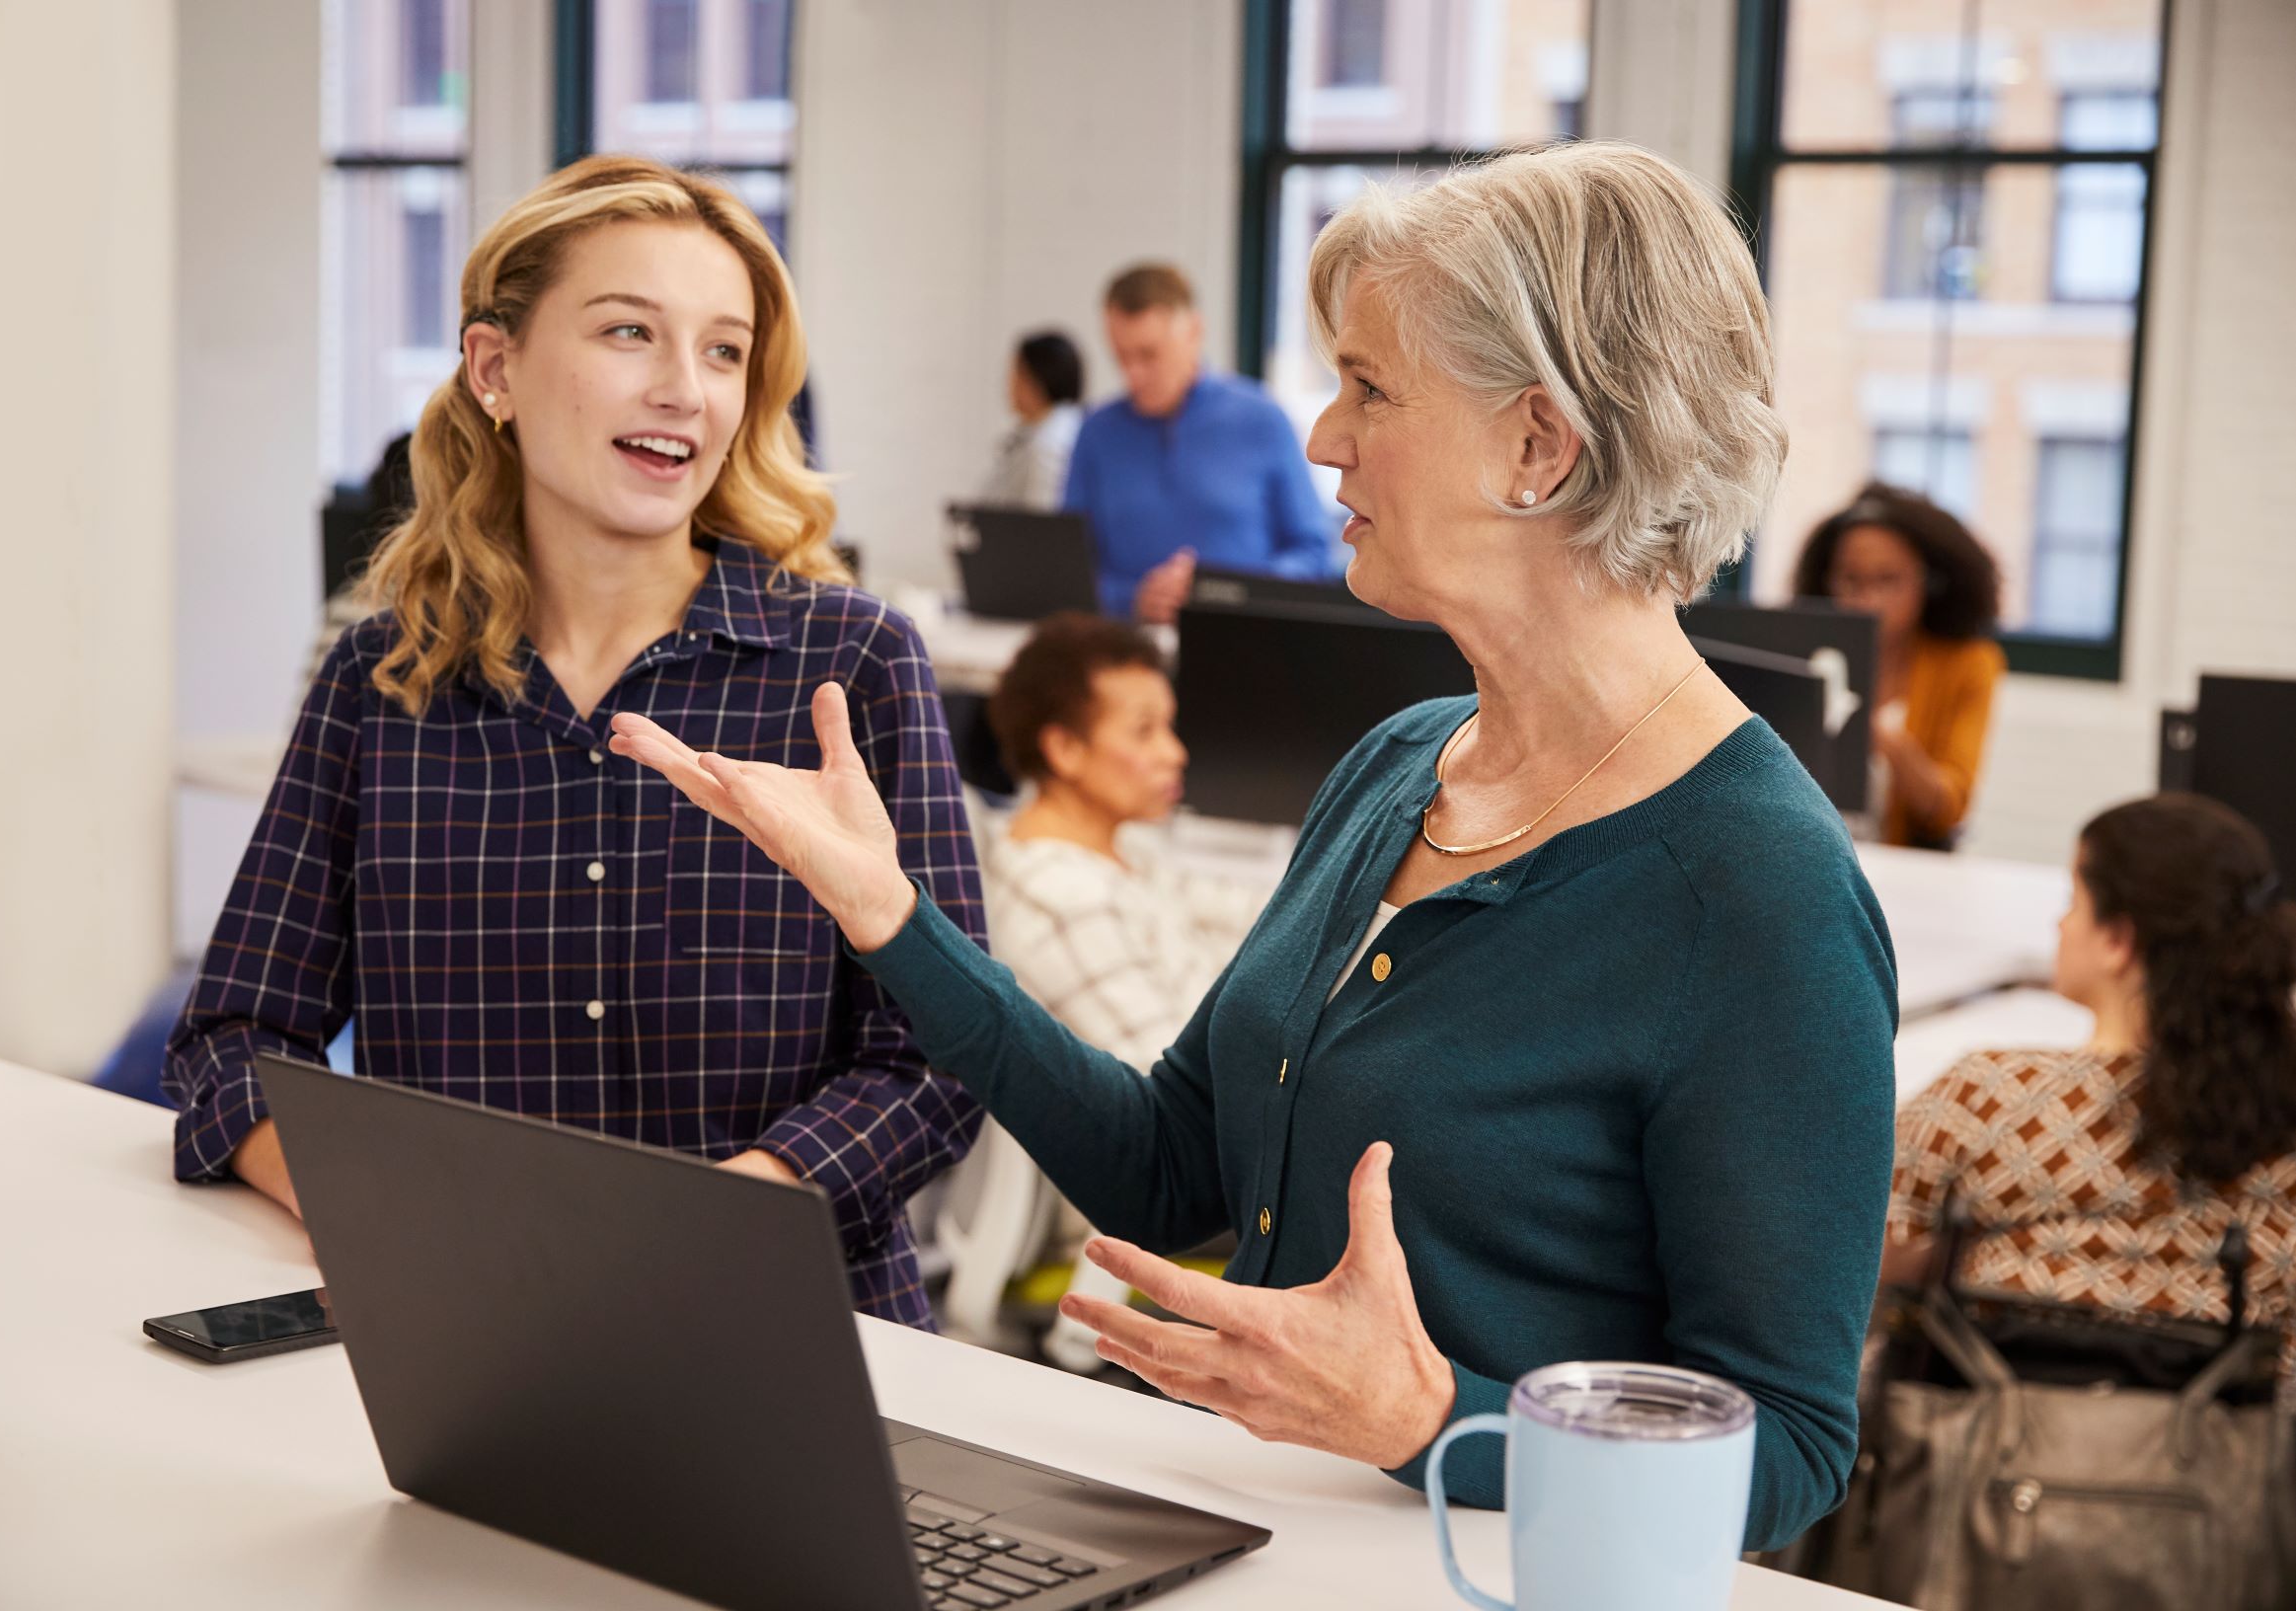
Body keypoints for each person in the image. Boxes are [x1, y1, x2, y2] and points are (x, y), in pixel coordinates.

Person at [610, 141, 1895, 1553]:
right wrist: (888, 914)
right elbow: (1167, 1166)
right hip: (1244, 1539)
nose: (1322, 438)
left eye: (1372, 388)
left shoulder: (1757, 889)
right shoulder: (1400, 768)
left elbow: (1790, 1448)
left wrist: (1432, 1419)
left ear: (1538, 446)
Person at [164, 155, 987, 1328]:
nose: (685, 392)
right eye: (627, 334)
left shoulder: (851, 670)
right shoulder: (380, 683)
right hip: (468, 1343)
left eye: (722, 351)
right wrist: (386, 1215)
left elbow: (942, 1061)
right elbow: (232, 1040)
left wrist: (717, 1223)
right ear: (495, 366)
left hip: (790, 1330)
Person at [1883, 794, 2296, 1379]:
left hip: (1987, 1453)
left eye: (2071, 901)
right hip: (2230, 1455)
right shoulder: (2280, 1116)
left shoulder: (1987, 1099)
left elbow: (1855, 1269)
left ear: (2117, 940)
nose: (2059, 923)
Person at [970, 613, 1268, 1368]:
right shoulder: (1061, 895)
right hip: (1161, 1215)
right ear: (1063, 749)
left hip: (1208, 1180)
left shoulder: (1119, 859)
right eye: (1142, 732)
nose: (1174, 753)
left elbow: (1260, 922)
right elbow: (1171, 1113)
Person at [1061, 264, 1339, 623]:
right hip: (1127, 651)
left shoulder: (1263, 420)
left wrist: (1232, 594)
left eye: (1148, 355)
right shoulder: (1096, 432)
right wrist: (1133, 599)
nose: (1134, 374)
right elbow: (1068, 572)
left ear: (1194, 332)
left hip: (1246, 644)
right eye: (1121, 357)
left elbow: (1313, 554)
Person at [1793, 483, 2005, 849]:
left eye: (1887, 580)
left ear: (1929, 584)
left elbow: (1950, 807)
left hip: (1904, 865)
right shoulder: (1802, 652)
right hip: (1809, 852)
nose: (1867, 600)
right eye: (1850, 580)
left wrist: (1883, 739)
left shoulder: (1969, 664)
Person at [978, 330, 1085, 510]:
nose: (1009, 382)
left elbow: (1041, 524)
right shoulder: (1042, 433)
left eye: (1017, 372)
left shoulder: (1050, 445)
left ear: (1038, 379)